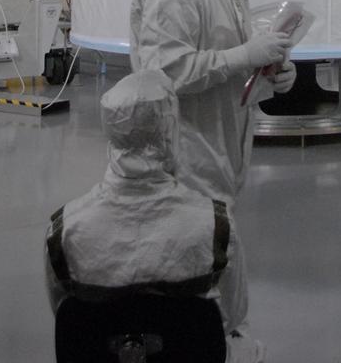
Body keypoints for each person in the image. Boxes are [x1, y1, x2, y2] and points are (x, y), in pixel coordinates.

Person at [130, 0, 296, 362]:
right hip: (185, 143)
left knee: (217, 246)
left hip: (221, 138)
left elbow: (226, 57)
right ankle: (209, 343)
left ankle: (225, 339)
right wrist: (245, 56)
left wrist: (270, 74)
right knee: (199, 253)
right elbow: (166, 71)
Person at [45, 69, 234, 360]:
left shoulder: (65, 230)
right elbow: (229, 320)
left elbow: (67, 321)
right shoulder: (215, 225)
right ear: (170, 131)